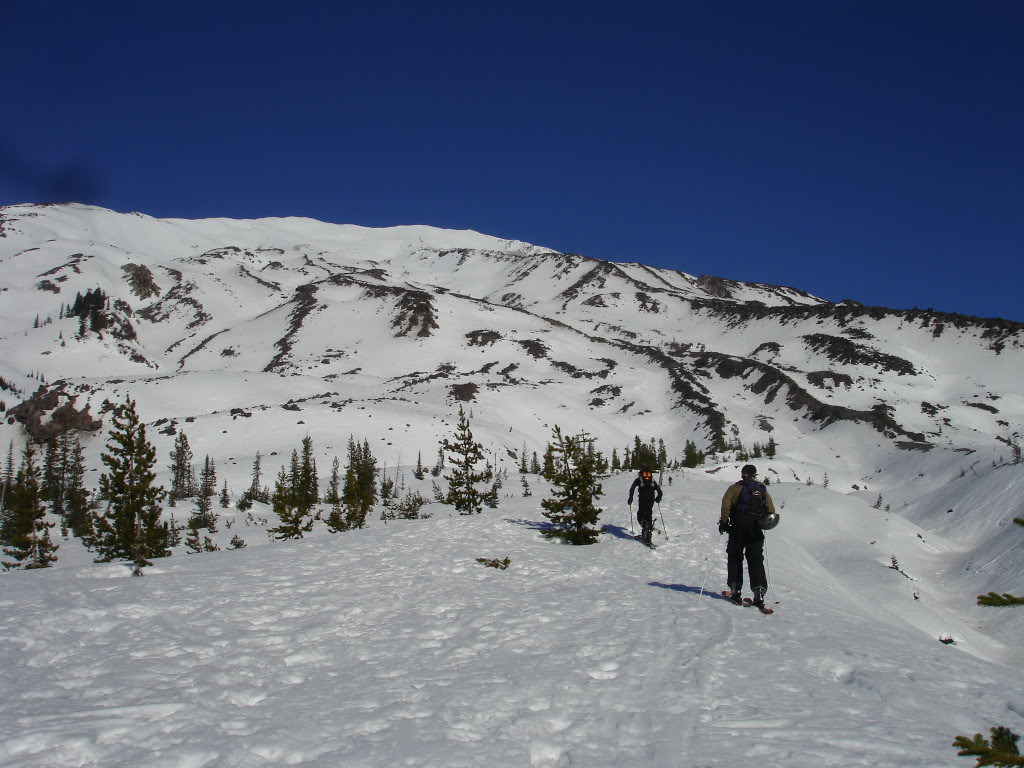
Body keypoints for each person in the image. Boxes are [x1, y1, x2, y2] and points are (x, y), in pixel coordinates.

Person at [719, 464, 777, 608]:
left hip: (737, 527)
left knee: (735, 556)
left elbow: (726, 504)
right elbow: (771, 509)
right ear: (754, 474)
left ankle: (735, 589)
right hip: (755, 529)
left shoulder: (735, 488)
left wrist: (724, 522)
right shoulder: (762, 489)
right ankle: (759, 592)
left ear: (743, 474)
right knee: (756, 559)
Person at [628, 468, 663, 545]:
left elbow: (632, 488)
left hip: (642, 498)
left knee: (640, 514)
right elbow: (660, 491)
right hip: (651, 498)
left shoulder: (638, 479)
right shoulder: (652, 480)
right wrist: (658, 498)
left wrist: (631, 497)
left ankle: (645, 527)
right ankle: (648, 532)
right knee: (648, 513)